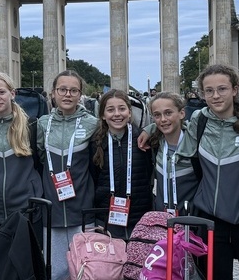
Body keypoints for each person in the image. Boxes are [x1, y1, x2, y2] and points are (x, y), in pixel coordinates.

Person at [175, 64, 239, 279]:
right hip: (211, 221)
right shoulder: (199, 121)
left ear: (235, 89)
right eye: (209, 91)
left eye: (222, 89)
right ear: (202, 93)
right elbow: (176, 146)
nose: (215, 96)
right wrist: (150, 129)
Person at [36, 69, 98, 280]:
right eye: (62, 89)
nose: (67, 94)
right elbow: (40, 157)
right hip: (52, 210)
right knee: (55, 271)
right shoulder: (42, 123)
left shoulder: (92, 123)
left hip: (81, 208)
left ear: (80, 94)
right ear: (53, 92)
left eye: (73, 90)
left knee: (85, 270)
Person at [0, 71, 43, 240]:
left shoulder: (32, 125)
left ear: (12, 93)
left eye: (1, 92)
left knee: (28, 257)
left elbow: (42, 161)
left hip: (27, 209)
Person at [91, 89, 153, 240]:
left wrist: (152, 128)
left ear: (130, 113)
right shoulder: (95, 143)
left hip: (139, 218)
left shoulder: (143, 140)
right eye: (110, 110)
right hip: (106, 218)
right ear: (103, 115)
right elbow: (93, 178)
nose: (117, 114)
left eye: (122, 109)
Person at [138, 92, 198, 214]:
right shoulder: (154, 145)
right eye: (157, 115)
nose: (163, 119)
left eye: (168, 113)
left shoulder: (195, 141)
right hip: (162, 218)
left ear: (182, 113)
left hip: (191, 219)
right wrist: (149, 129)